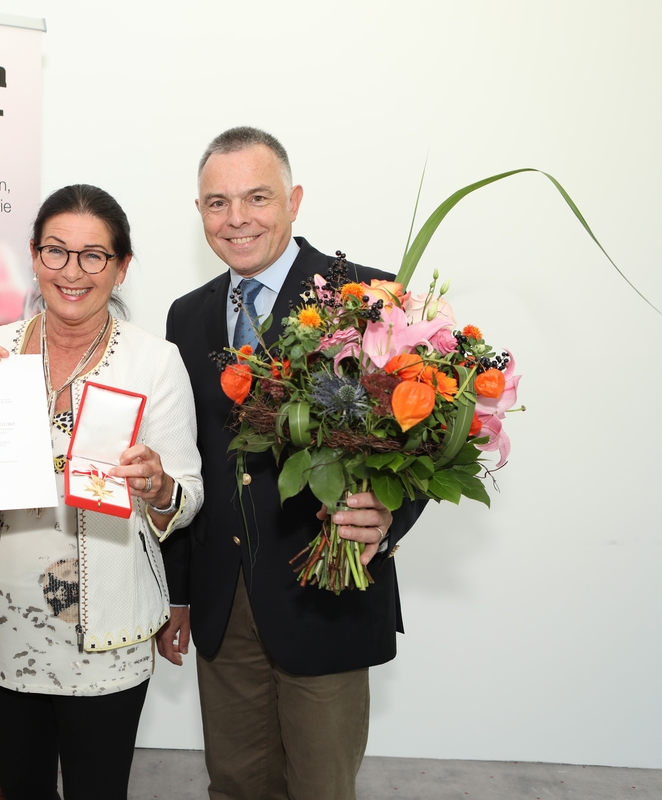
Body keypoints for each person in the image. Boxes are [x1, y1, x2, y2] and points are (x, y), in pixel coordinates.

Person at [158, 127, 429, 800]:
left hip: (325, 592)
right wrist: (179, 591)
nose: (237, 218)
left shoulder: (367, 297)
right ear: (199, 212)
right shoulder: (186, 317)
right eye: (217, 202)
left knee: (320, 787)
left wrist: (387, 516)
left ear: (294, 200)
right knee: (234, 784)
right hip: (223, 601)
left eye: (257, 197)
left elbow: (421, 436)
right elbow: (190, 460)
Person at [0, 184, 203, 800]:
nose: (72, 272)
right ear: (34, 255)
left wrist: (158, 485)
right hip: (7, 622)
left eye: (94, 255)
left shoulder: (155, 362)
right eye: (56, 251)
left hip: (107, 628)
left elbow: (188, 494)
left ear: (121, 267)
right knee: (21, 788)